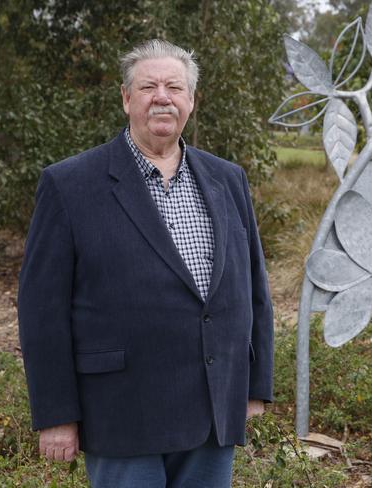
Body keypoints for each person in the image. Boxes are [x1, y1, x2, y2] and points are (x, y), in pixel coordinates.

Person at [17, 39, 274, 487]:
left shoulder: (227, 179)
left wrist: (253, 385)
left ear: (191, 101)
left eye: (174, 87)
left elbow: (254, 288)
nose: (162, 96)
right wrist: (56, 414)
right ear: (125, 98)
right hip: (122, 412)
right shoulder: (70, 184)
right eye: (148, 86)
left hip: (212, 409)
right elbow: (41, 310)